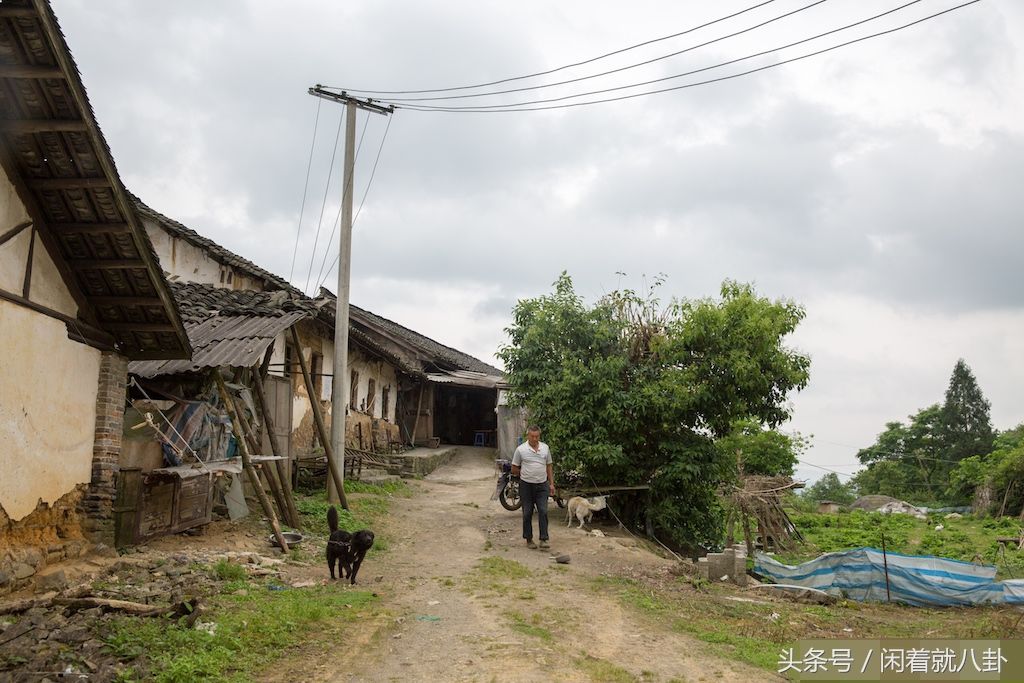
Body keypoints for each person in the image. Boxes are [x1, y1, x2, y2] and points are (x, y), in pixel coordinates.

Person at [511, 425, 555, 549]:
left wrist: (551, 483)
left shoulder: (545, 448)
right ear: (528, 436)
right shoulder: (521, 450)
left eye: (537, 436)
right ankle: (529, 539)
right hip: (526, 485)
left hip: (542, 484)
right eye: (532, 436)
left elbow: (549, 466)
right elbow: (514, 468)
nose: (535, 439)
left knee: (543, 511)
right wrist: (524, 474)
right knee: (527, 512)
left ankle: (544, 539)